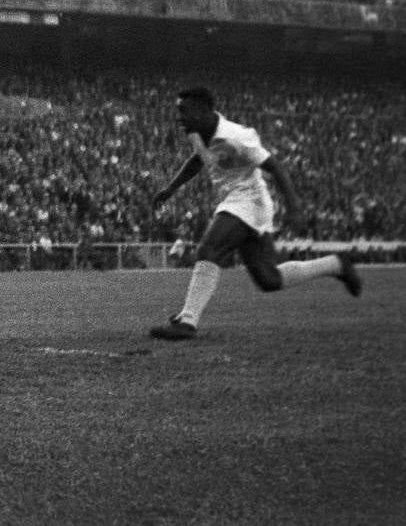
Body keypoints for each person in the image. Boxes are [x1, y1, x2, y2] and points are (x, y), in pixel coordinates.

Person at [149, 86, 361, 340]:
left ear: (204, 110)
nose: (179, 118)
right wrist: (170, 189)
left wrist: (294, 207)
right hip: (235, 200)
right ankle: (336, 264)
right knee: (268, 278)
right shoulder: (197, 133)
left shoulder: (237, 136)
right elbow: (198, 160)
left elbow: (275, 167)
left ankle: (188, 321)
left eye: (184, 111)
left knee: (209, 249)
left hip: (249, 200)